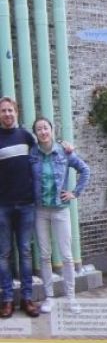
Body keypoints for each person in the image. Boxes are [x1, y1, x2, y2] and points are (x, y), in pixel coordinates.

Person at [30, 117, 88, 307]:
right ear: (36, 134)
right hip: (40, 211)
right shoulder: (32, 154)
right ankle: (49, 298)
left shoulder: (64, 152)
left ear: (52, 130)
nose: (43, 132)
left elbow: (85, 169)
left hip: (60, 211)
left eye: (46, 128)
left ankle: (71, 298)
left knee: (66, 255)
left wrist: (75, 193)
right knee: (45, 256)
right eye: (39, 129)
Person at [0, 98, 38, 319]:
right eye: (3, 111)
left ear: (16, 112)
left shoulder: (26, 136)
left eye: (10, 110)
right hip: (2, 206)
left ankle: (27, 298)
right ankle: (6, 300)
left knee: (24, 252)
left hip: (25, 205)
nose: (7, 114)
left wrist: (67, 148)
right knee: (3, 254)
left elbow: (44, 152)